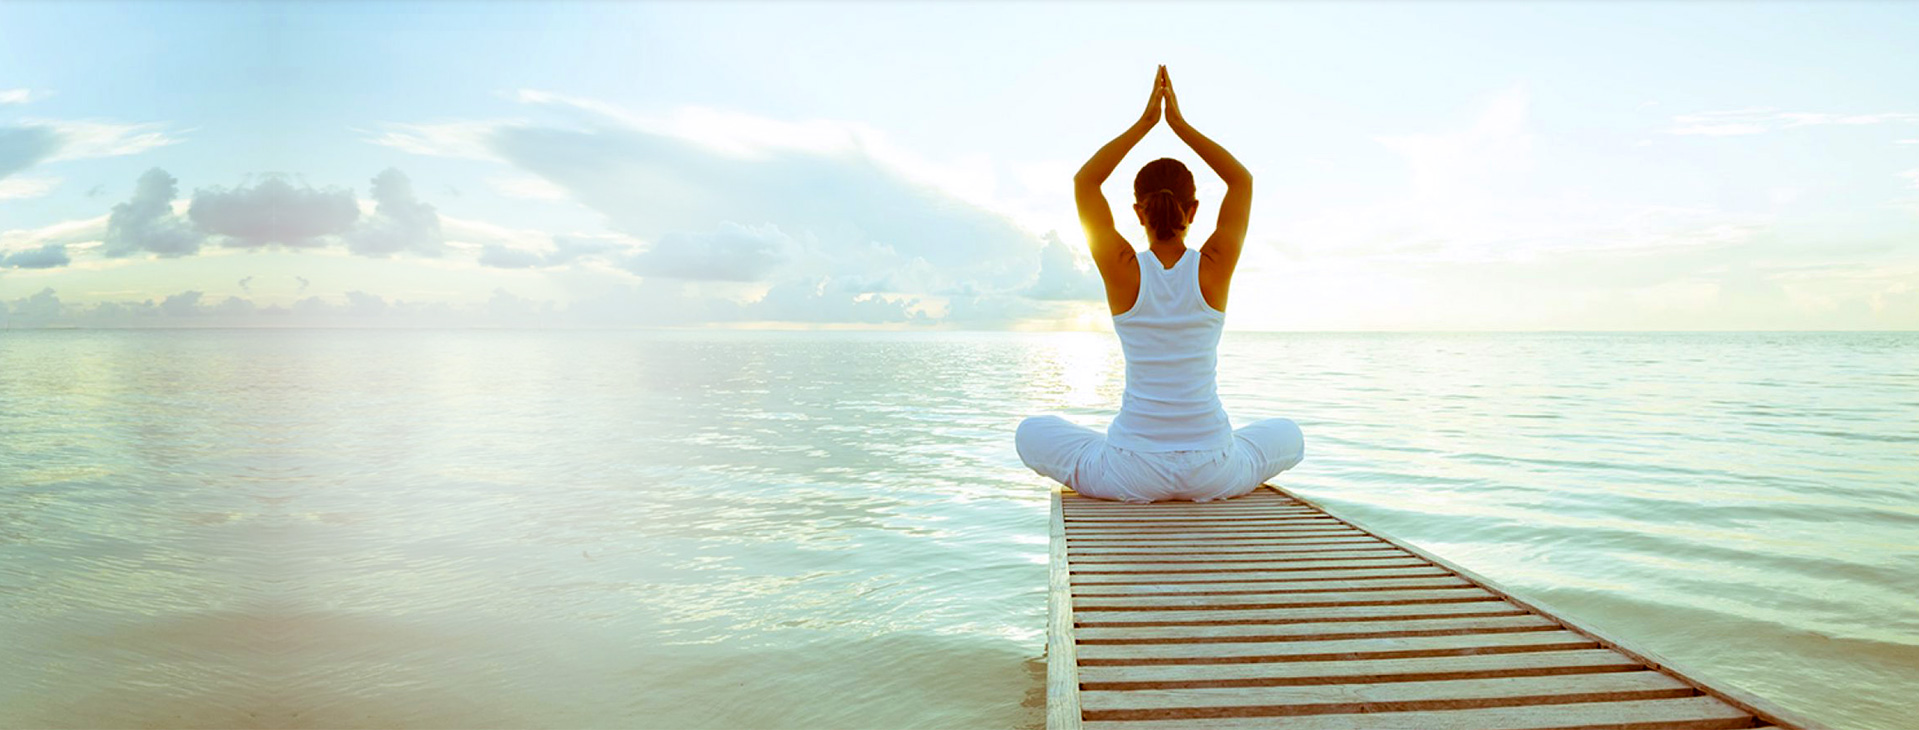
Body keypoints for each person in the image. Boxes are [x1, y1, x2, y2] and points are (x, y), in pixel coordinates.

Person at [1016, 65, 1304, 503]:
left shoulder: (1123, 268)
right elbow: (1240, 180)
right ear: (1193, 209)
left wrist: (1147, 123)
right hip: (1213, 468)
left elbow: (1085, 182)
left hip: (1132, 471)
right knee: (1289, 434)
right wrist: (1179, 126)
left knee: (1030, 432)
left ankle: (1125, 450)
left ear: (1137, 211)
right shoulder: (1213, 266)